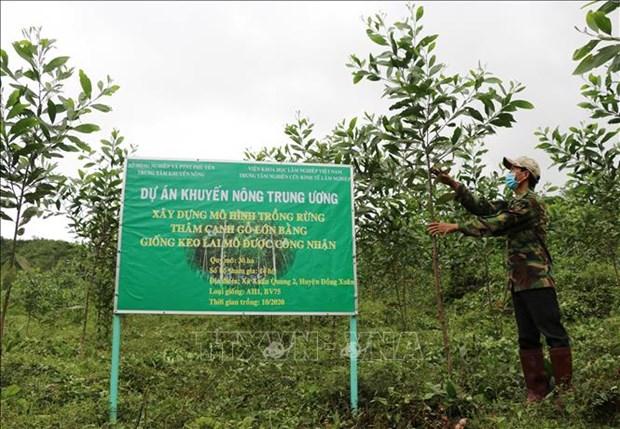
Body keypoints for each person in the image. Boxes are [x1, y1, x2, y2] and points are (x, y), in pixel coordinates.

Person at [427, 156, 572, 402]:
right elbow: (482, 207)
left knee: (553, 333)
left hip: (537, 280)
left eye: (513, 169)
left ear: (525, 174)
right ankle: (536, 391)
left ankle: (565, 392)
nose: (509, 173)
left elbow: (497, 223)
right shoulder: (513, 203)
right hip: (519, 282)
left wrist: (457, 226)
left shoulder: (529, 204)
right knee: (527, 337)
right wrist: (452, 183)